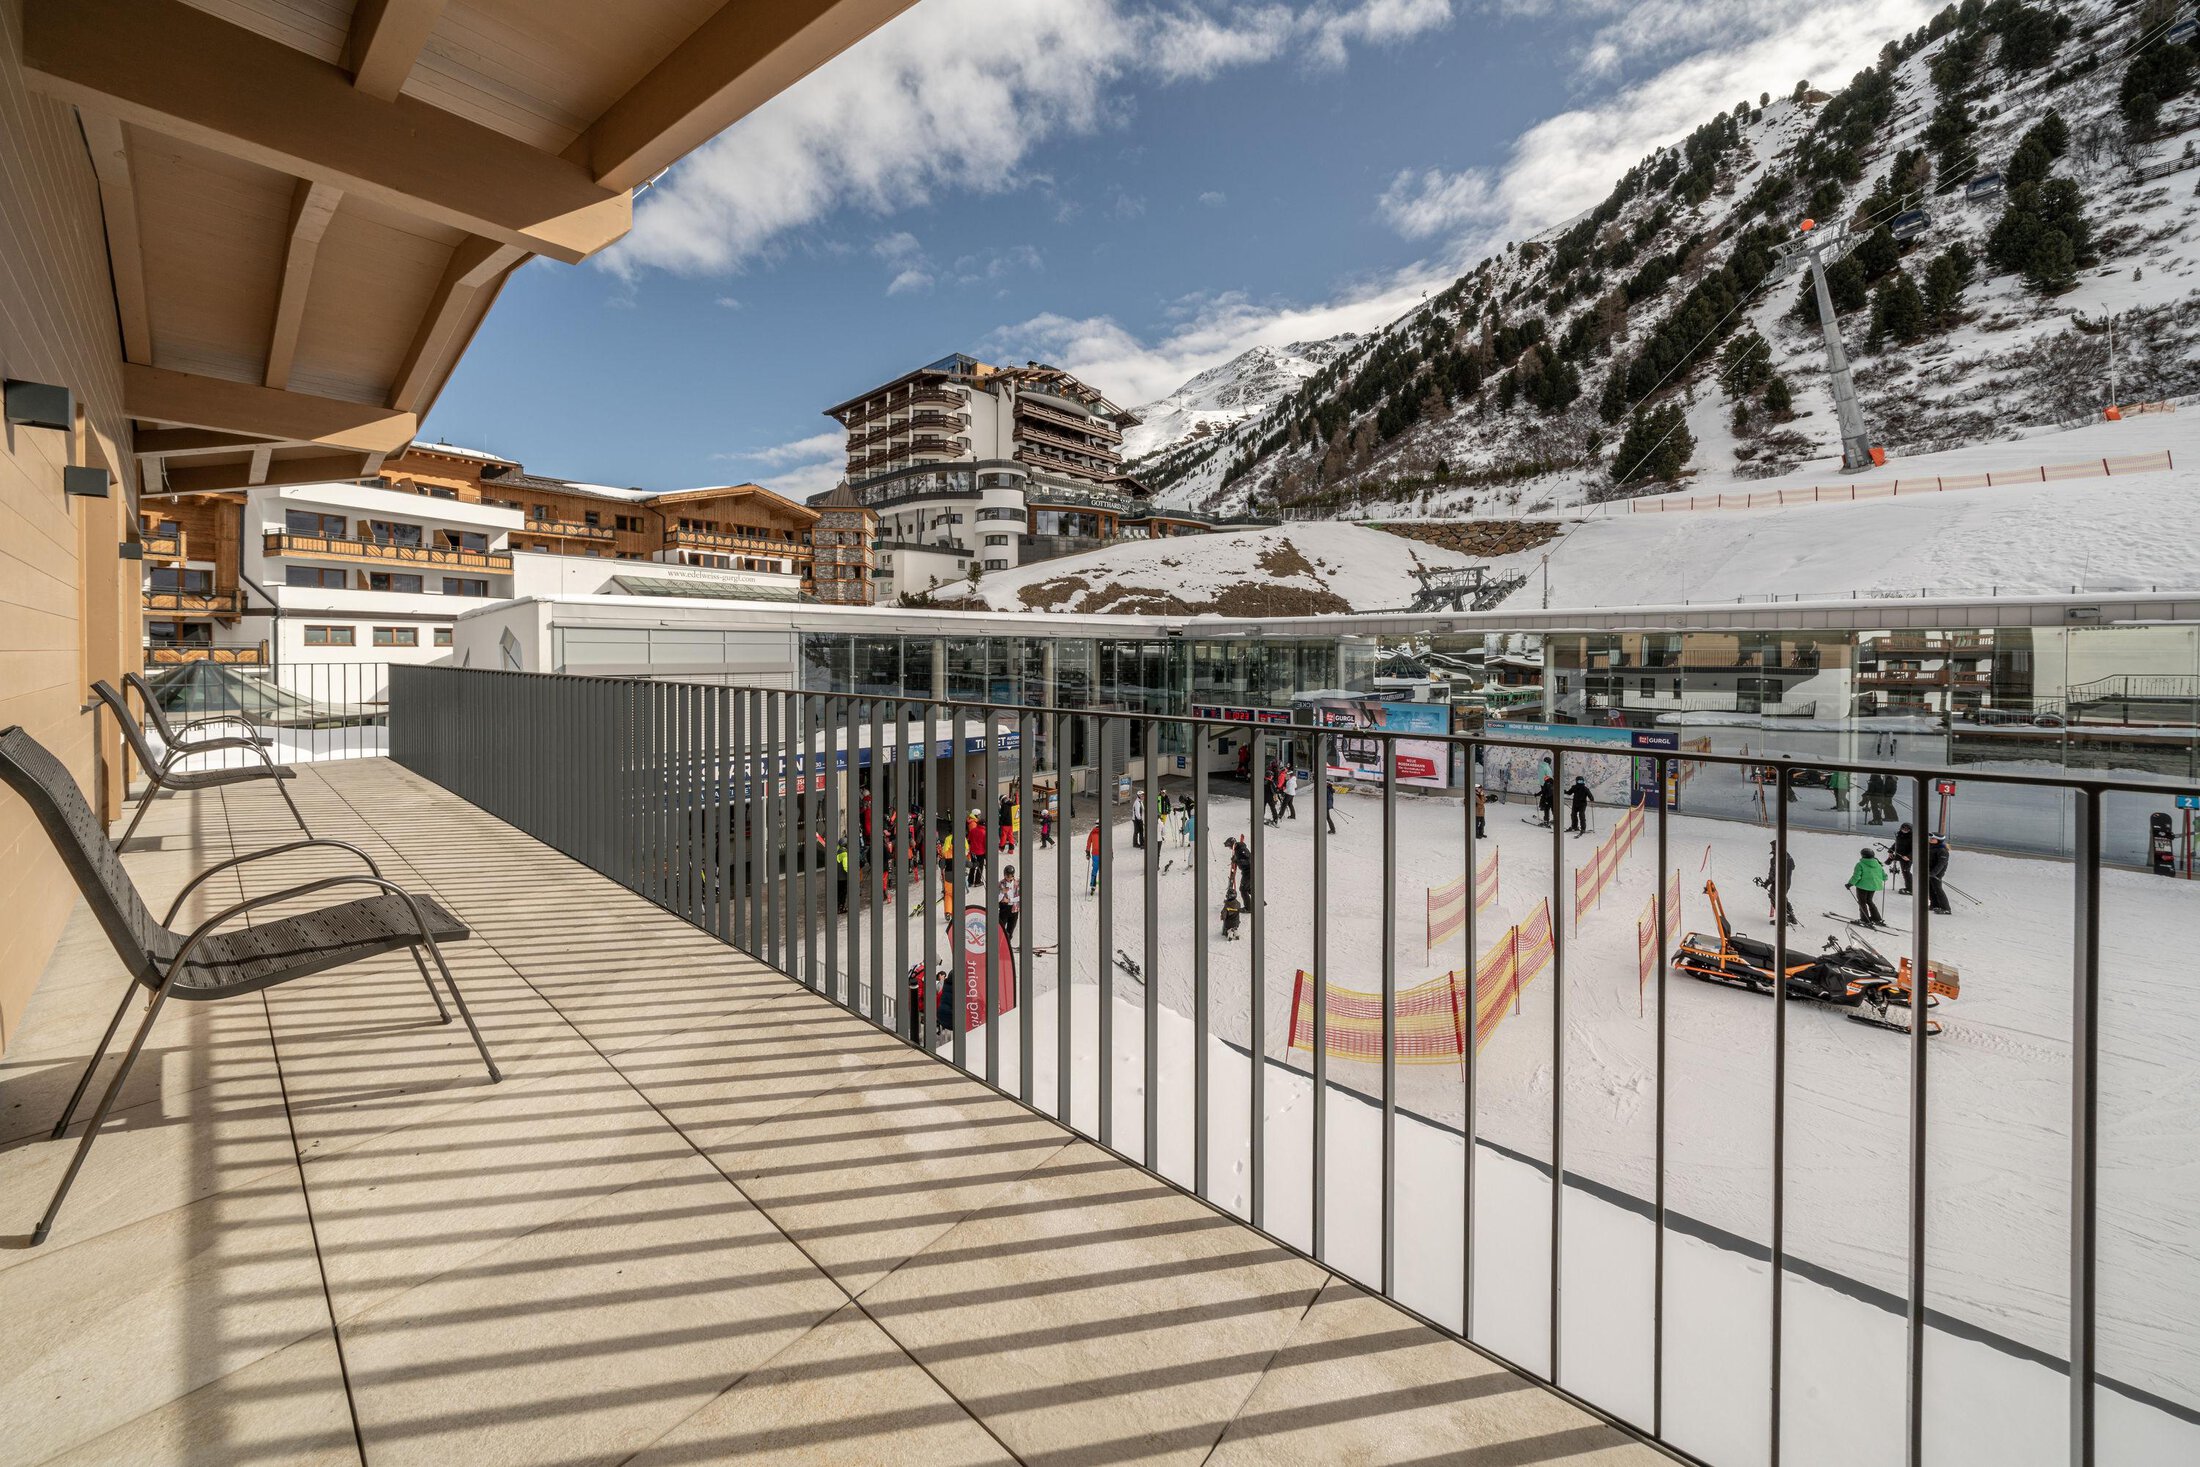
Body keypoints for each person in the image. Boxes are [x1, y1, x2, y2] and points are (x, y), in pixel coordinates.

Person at [1846, 847, 1888, 926]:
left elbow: (1856, 876)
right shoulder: (1878, 864)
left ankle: (1865, 920)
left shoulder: (1860, 864)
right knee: (1869, 901)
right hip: (1873, 886)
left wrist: (1850, 884)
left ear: (1863, 855)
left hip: (1862, 886)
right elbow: (1883, 875)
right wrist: (1885, 878)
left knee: (1862, 902)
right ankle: (1876, 918)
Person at [1766, 841, 1797, 926]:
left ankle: (1782, 919)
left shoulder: (1777, 858)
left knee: (1774, 898)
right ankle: (1791, 916)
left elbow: (1773, 873)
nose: (1772, 848)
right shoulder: (1788, 856)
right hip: (1787, 883)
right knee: (1782, 898)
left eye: (1773, 846)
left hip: (1779, 883)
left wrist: (1767, 883)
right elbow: (1793, 866)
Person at [1926, 834, 1953, 915]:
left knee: (1938, 889)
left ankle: (1946, 908)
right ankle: (1934, 905)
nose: (1931, 839)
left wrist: (1933, 873)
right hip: (1930, 872)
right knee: (1930, 888)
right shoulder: (1931, 847)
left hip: (1937, 873)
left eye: (1933, 838)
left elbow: (1941, 864)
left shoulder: (1942, 850)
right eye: (1931, 838)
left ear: (1938, 840)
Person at [1889, 823, 1915, 895]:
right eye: (1903, 828)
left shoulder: (1913, 837)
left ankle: (1911, 889)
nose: (1905, 830)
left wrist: (1909, 857)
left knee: (1906, 872)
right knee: (1904, 872)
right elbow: (1896, 844)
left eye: (1907, 829)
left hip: (1907, 857)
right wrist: (1890, 851)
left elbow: (1915, 848)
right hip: (1900, 855)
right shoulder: (1899, 835)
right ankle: (1909, 888)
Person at [998, 863, 1020, 945]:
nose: (1009, 878)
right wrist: (1002, 892)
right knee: (1000, 928)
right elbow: (998, 899)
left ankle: (1007, 944)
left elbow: (1020, 897)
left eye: (1011, 876)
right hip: (1004, 909)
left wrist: (1010, 900)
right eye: (1007, 876)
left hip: (1014, 909)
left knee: (1010, 930)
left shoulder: (1017, 883)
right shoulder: (1001, 883)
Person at [966, 811, 988, 886]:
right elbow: (985, 844)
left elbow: (969, 840)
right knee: (980, 867)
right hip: (981, 852)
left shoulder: (973, 830)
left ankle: (970, 881)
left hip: (973, 851)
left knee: (973, 865)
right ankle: (977, 881)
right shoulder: (984, 832)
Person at [1085, 822, 1102, 894]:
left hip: (1095, 854)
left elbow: (1088, 843)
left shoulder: (1092, 833)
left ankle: (1093, 885)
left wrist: (1088, 853)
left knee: (1095, 869)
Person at [835, 836, 850, 914]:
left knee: (838, 892)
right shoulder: (844, 853)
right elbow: (846, 866)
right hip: (843, 877)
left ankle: (837, 907)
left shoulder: (837, 851)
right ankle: (841, 907)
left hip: (837, 876)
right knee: (843, 893)